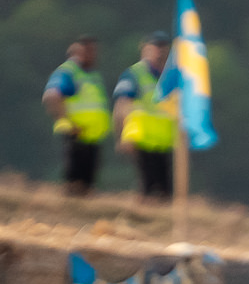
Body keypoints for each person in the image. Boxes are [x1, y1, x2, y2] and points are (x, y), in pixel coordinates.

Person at [113, 31, 179, 200]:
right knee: (148, 186)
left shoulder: (171, 78)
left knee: (165, 190)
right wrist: (121, 136)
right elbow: (122, 105)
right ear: (145, 50)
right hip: (141, 138)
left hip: (164, 141)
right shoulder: (135, 74)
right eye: (156, 48)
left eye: (164, 49)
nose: (160, 53)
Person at [41, 36, 108, 197]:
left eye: (94, 51)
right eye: (88, 50)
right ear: (76, 52)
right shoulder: (69, 72)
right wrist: (65, 121)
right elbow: (52, 96)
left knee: (88, 181)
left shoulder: (91, 74)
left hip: (92, 134)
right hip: (76, 132)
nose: (92, 55)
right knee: (74, 180)